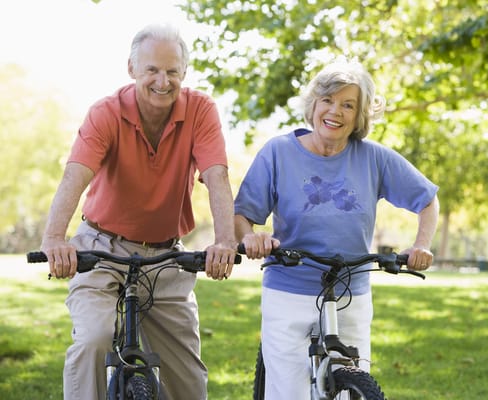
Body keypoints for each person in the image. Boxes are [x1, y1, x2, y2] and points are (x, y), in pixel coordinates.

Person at [40, 23, 238, 400]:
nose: (163, 81)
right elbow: (75, 176)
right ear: (132, 69)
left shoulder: (200, 110)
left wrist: (225, 241)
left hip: (166, 255)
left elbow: (217, 176)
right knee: (94, 340)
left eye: (172, 72)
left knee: (189, 381)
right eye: (152, 70)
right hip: (102, 248)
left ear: (184, 72)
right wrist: (53, 238)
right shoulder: (106, 113)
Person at [234, 60, 440, 399]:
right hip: (289, 289)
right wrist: (250, 237)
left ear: (359, 116)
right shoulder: (278, 152)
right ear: (313, 104)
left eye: (348, 105)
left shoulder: (374, 157)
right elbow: (243, 215)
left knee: (351, 388)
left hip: (350, 292)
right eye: (328, 100)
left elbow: (427, 200)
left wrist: (421, 245)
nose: (336, 111)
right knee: (288, 391)